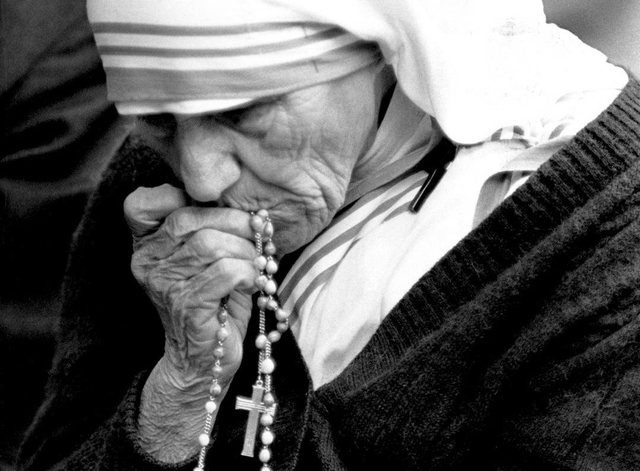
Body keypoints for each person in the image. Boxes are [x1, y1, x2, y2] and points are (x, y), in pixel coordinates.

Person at [16, 0, 640, 470]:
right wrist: (179, 393)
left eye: (242, 112)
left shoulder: (606, 232)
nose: (201, 177)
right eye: (157, 121)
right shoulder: (156, 190)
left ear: (385, 41)